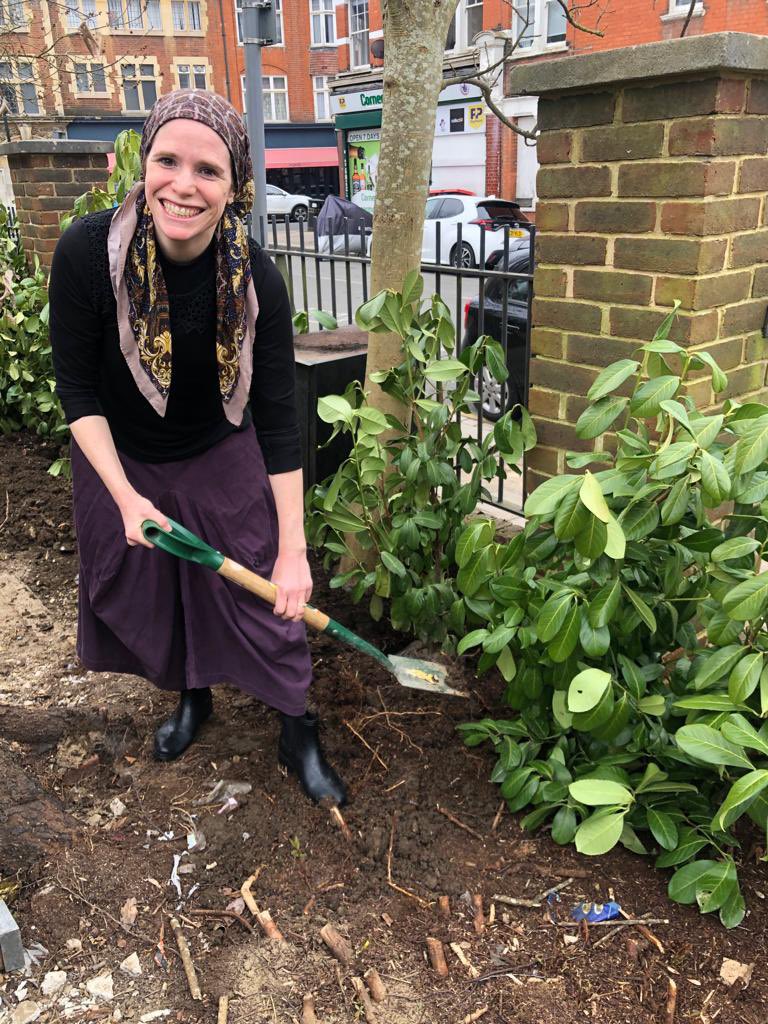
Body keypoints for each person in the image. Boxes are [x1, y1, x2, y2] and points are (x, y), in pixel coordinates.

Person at [49, 89, 346, 807]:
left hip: (218, 445)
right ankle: (193, 699)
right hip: (122, 456)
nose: (183, 185)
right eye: (167, 160)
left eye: (207, 171)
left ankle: (296, 728)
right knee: (159, 588)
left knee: (267, 600)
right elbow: (78, 392)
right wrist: (126, 500)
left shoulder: (256, 283)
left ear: (234, 186)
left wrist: (294, 551)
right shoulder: (89, 253)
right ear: (145, 162)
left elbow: (278, 422)